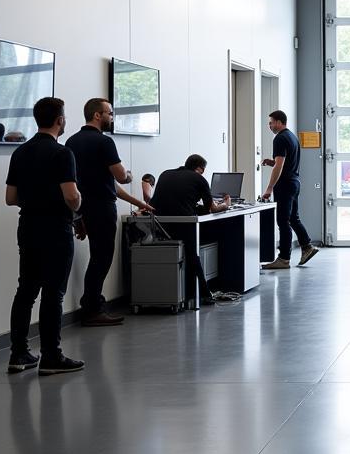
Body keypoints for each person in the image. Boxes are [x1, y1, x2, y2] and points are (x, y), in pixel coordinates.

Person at [5, 97, 85, 375]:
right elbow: (72, 197)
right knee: (54, 293)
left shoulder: (20, 153)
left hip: (27, 226)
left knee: (26, 291)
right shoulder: (62, 154)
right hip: (56, 229)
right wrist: (77, 204)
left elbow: (10, 197)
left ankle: (19, 354)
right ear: (60, 120)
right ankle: (51, 356)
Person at [66, 98, 151, 326]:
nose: (112, 117)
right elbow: (121, 176)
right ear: (97, 115)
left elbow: (107, 183)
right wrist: (131, 175)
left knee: (97, 257)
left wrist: (138, 203)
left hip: (82, 208)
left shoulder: (71, 142)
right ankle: (93, 308)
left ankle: (92, 304)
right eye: (110, 113)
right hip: (102, 208)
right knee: (102, 259)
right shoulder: (104, 142)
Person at [151, 154, 230, 305]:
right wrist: (226, 204)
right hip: (184, 223)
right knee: (193, 256)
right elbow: (212, 208)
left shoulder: (165, 174)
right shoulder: (199, 179)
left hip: (161, 225)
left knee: (189, 255)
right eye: (202, 171)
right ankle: (206, 295)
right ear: (199, 168)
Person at [260, 110, 317, 270]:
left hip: (284, 185)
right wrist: (272, 162)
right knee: (293, 218)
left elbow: (280, 165)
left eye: (271, 122)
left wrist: (269, 188)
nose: (269, 126)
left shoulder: (279, 138)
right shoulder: (292, 137)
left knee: (283, 221)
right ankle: (307, 247)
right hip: (294, 182)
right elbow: (284, 162)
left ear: (279, 122)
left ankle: (284, 258)